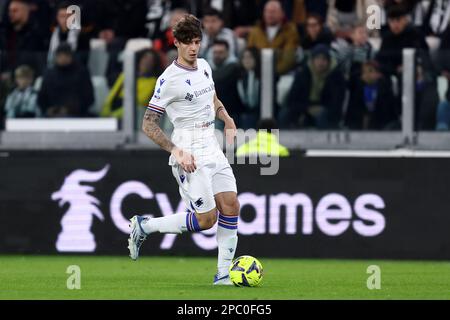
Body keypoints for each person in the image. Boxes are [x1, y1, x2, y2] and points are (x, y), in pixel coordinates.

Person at [128, 15, 240, 286]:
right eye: (188, 42)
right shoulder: (169, 80)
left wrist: (226, 118)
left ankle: (223, 275)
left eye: (197, 41)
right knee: (206, 220)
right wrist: (176, 151)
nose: (193, 48)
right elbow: (148, 123)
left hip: (211, 145)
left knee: (231, 206)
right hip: (188, 150)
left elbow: (211, 97)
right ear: (176, 43)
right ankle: (144, 226)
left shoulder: (203, 66)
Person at [279, 44, 346, 129]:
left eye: (324, 59)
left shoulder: (336, 76)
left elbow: (337, 101)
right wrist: (307, 108)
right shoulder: (303, 74)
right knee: (285, 113)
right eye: (318, 58)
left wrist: (321, 109)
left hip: (325, 108)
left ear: (328, 61)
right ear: (313, 60)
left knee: (323, 116)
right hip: (304, 106)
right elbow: (292, 98)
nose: (320, 62)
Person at [101, 49, 163, 122]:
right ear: (140, 59)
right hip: (113, 111)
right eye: (145, 58)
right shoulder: (125, 76)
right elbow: (111, 96)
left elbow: (139, 102)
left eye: (150, 60)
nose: (146, 61)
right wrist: (104, 114)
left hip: (131, 118)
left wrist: (114, 116)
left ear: (154, 64)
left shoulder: (153, 82)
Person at [38, 43, 94, 117]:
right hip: (51, 115)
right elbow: (42, 96)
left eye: (66, 55)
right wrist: (48, 109)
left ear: (71, 56)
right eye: (60, 56)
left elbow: (88, 97)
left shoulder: (82, 73)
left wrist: (70, 110)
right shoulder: (49, 74)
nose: (63, 58)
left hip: (76, 114)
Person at [247, 0, 300, 75]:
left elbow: (289, 58)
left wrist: (272, 73)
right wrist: (259, 72)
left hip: (281, 74)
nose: (269, 14)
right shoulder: (255, 31)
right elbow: (249, 55)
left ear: (282, 13)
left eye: (273, 12)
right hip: (257, 74)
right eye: (267, 11)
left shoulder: (290, 30)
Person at [237, 48, 261, 129]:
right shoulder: (239, 77)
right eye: (244, 57)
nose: (247, 60)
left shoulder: (262, 77)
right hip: (244, 112)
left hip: (260, 112)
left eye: (250, 57)